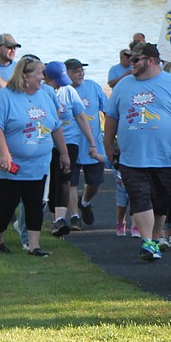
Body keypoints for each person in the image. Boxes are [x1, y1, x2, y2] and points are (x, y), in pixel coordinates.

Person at [103, 43, 171, 263]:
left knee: (160, 203)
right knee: (140, 198)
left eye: (135, 60)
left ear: (151, 60)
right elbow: (111, 116)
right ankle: (148, 242)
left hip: (166, 157)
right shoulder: (123, 86)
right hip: (132, 157)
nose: (131, 64)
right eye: (129, 60)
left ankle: (155, 239)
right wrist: (108, 145)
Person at [0, 55, 69, 257]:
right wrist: (5, 154)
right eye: (39, 73)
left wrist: (64, 153)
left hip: (38, 162)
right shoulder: (5, 96)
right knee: (9, 201)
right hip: (8, 162)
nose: (43, 77)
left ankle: (34, 245)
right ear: (25, 75)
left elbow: (55, 126)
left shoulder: (46, 94)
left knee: (34, 202)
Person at [43, 61, 100, 238]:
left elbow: (81, 117)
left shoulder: (68, 91)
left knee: (64, 178)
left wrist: (92, 143)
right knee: (51, 183)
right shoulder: (42, 92)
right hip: (47, 142)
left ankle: (61, 219)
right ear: (48, 78)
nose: (61, 84)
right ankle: (55, 219)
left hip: (69, 140)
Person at [65, 59, 108, 230]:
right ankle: (75, 216)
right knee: (71, 181)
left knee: (95, 182)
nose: (81, 73)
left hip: (93, 145)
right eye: (76, 71)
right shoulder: (62, 91)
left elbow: (107, 109)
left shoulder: (93, 87)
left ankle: (85, 202)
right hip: (71, 142)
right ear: (66, 73)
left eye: (82, 70)